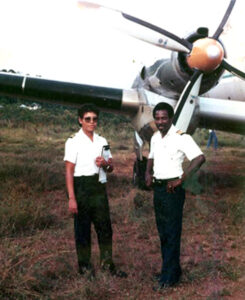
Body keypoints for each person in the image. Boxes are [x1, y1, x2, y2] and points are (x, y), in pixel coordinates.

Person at [145, 102, 205, 289]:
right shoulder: (155, 137)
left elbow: (199, 157)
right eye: (157, 118)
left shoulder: (181, 137)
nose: (160, 122)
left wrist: (182, 178)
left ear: (171, 118)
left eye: (164, 118)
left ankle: (168, 279)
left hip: (173, 189)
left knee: (171, 232)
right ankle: (172, 270)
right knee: (163, 231)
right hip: (159, 189)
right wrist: (148, 172)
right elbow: (151, 156)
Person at [64, 104, 126, 278]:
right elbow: (69, 171)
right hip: (81, 186)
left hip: (98, 186)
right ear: (80, 120)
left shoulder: (102, 141)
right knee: (82, 230)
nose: (92, 122)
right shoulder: (73, 141)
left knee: (105, 228)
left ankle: (107, 265)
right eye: (87, 119)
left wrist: (105, 164)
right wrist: (72, 198)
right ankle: (85, 268)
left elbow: (111, 167)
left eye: (94, 119)